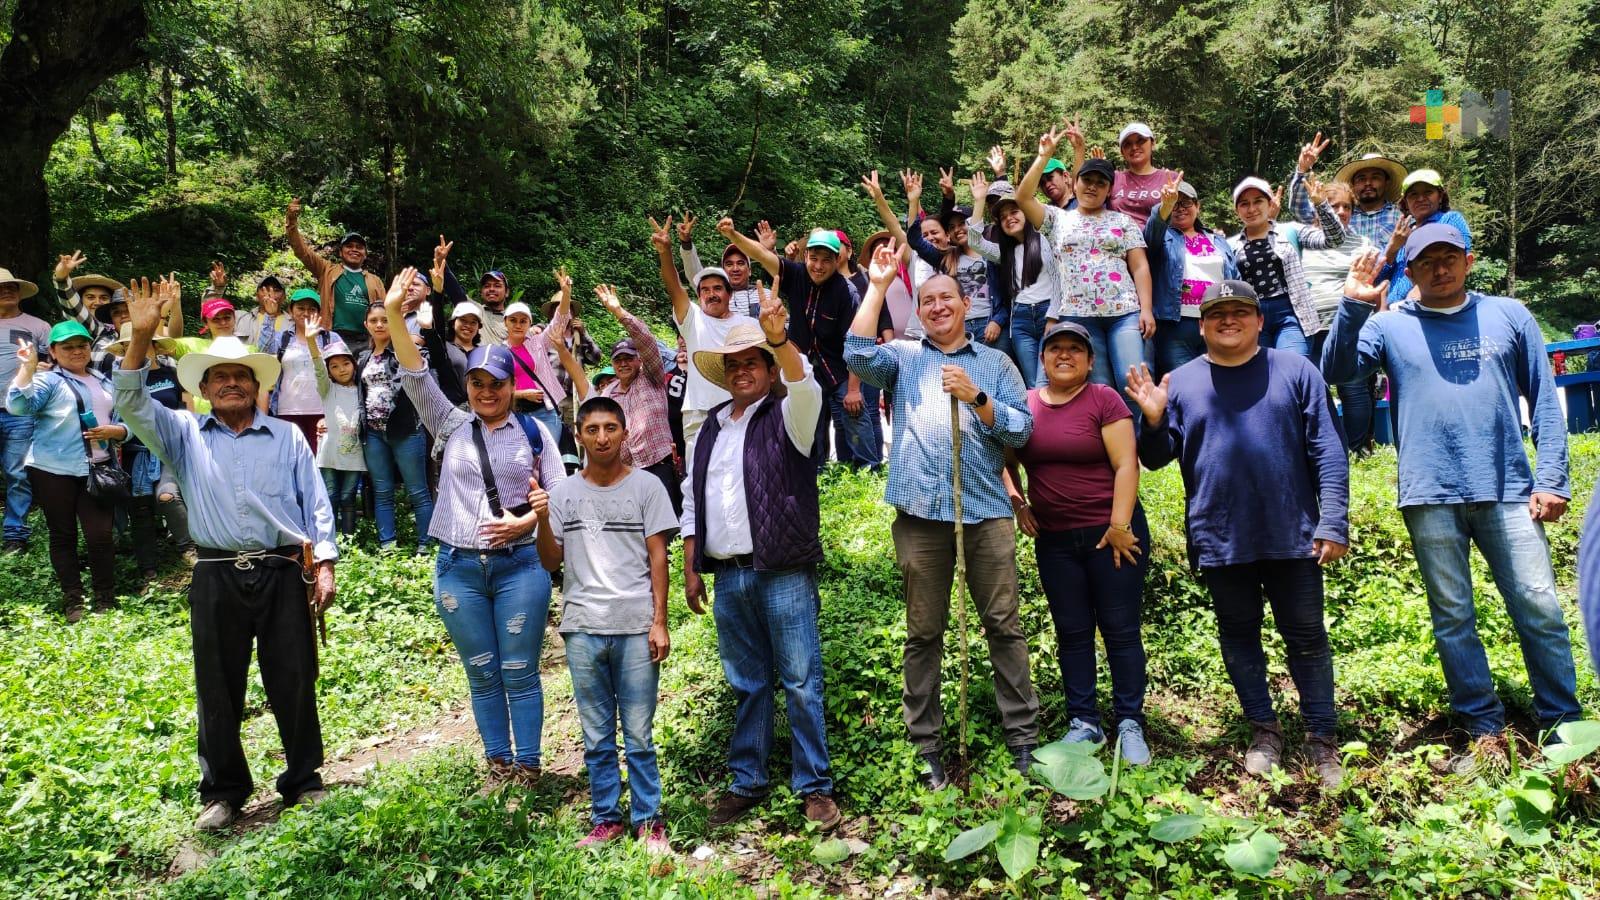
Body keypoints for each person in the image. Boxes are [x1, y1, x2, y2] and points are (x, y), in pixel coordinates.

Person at [1324, 227, 1581, 773]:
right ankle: (1484, 727)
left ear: (1468, 261)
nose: (1439, 270)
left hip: (1508, 488)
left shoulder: (1509, 314)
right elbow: (1338, 371)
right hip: (1429, 492)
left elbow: (1545, 396)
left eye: (1448, 259)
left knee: (1540, 608)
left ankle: (1564, 727)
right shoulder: (1390, 325)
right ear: (1410, 272)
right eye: (1426, 262)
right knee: (1453, 617)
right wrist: (1351, 305)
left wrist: (1553, 477)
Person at [113, 276, 337, 832]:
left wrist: (326, 561)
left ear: (257, 386)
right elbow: (131, 400)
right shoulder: (183, 433)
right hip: (215, 572)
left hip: (284, 568)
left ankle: (303, 780)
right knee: (217, 682)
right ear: (206, 388)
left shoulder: (287, 436)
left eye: (242, 376)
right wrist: (141, 338)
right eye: (221, 377)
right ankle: (223, 791)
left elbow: (316, 500)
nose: (233, 384)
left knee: (292, 675)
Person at [1128, 279, 1349, 789]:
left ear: (1259, 320)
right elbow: (1156, 459)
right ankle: (1264, 730)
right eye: (1218, 313)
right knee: (1239, 636)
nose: (1229, 320)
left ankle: (1321, 737)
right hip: (1219, 535)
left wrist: (1333, 518)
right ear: (1202, 325)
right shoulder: (1179, 381)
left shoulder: (1296, 370)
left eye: (1240, 312)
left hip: (1293, 533)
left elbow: (1328, 451)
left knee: (1308, 638)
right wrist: (1155, 420)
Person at [846, 240, 1040, 789]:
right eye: (927, 300)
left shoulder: (996, 364)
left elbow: (1021, 430)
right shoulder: (906, 358)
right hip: (921, 519)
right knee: (924, 631)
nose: (935, 307)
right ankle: (926, 743)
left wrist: (978, 398)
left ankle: (1022, 736)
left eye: (945, 298)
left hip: (986, 514)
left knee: (1004, 626)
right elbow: (856, 355)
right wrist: (880, 286)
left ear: (964, 304)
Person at [384, 267, 565, 783]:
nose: (487, 391)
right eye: (478, 382)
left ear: (513, 385)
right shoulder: (450, 423)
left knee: (519, 670)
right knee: (482, 671)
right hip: (458, 567)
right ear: (468, 385)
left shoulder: (534, 433)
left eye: (497, 383)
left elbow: (562, 497)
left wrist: (526, 521)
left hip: (520, 567)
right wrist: (396, 312)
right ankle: (497, 761)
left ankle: (528, 765)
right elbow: (415, 373)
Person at [681, 281, 840, 831]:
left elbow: (806, 386)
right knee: (747, 681)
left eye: (754, 362)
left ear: (769, 369)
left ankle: (814, 785)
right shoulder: (710, 427)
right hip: (728, 575)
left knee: (799, 678)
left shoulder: (788, 413)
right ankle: (747, 780)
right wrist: (691, 563)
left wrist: (782, 342)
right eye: (734, 365)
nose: (743, 371)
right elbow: (692, 496)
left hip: (783, 569)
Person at [1004, 321, 1151, 764]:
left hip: (1113, 536)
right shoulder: (1025, 405)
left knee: (1121, 631)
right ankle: (1084, 722)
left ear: (1089, 361)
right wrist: (1018, 502)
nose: (1063, 355)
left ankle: (1130, 722)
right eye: (1055, 349)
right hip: (1055, 539)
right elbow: (1005, 459)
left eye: (1074, 349)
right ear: (1042, 358)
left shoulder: (1103, 399)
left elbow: (1127, 463)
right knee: (1072, 632)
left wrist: (1120, 524)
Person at [534, 395, 676, 852]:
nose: (601, 437)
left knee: (638, 733)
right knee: (596, 736)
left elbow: (659, 557)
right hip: (582, 626)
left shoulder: (648, 488)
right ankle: (606, 819)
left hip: (635, 625)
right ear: (578, 436)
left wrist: (660, 622)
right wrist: (539, 520)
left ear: (624, 433)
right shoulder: (564, 494)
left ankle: (648, 820)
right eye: (591, 429)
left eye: (610, 428)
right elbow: (550, 560)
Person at [720, 220, 882, 470]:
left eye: (826, 260)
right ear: (806, 255)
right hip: (805, 369)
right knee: (810, 426)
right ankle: (813, 474)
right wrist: (733, 234)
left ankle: (867, 472)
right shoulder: (796, 275)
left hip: (839, 369)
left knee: (853, 420)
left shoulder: (846, 293)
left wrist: (853, 388)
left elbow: (856, 344)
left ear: (837, 260)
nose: (818, 266)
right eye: (814, 258)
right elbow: (761, 254)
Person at [1016, 126, 1154, 400]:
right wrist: (1043, 157)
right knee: (1101, 392)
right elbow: (1022, 198)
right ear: (1075, 182)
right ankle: (1110, 443)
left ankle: (1142, 442)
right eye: (1087, 179)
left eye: (1100, 182)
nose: (1092, 186)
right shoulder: (1057, 219)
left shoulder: (1123, 221)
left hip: (1124, 314)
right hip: (1079, 317)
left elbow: (1140, 267)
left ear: (1109, 190)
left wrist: (1146, 309)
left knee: (1135, 386)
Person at [8, 320, 125, 621]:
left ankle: (105, 598)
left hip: (98, 468)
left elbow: (127, 422)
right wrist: (27, 368)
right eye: (68, 347)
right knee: (63, 535)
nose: (76, 351)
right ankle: (73, 600)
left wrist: (116, 431)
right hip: (53, 469)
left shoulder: (104, 380)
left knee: (100, 537)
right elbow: (18, 406)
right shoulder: (49, 381)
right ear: (54, 352)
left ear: (90, 347)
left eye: (82, 345)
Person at [551, 286, 680, 513]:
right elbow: (581, 382)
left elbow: (646, 341)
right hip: (624, 475)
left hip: (658, 468)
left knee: (665, 535)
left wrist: (619, 312)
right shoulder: (608, 393)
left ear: (638, 360)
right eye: (618, 359)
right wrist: (561, 350)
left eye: (628, 358)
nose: (623, 363)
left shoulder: (652, 377)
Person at [651, 215, 752, 458]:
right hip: (697, 412)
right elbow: (673, 285)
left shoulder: (747, 325)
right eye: (705, 290)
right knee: (698, 479)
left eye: (718, 288)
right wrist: (665, 252)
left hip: (739, 409)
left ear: (729, 294)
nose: (711, 294)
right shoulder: (693, 319)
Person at [1295, 174, 1380, 451]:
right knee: (1315, 391)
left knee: (1354, 390)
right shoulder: (1304, 240)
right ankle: (1324, 448)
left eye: (1347, 207)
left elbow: (1371, 282)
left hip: (1349, 327)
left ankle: (1354, 448)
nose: (1341, 212)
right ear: (1321, 208)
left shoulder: (1362, 244)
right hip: (1310, 328)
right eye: (1334, 205)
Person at [105, 322, 194, 578]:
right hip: (136, 451)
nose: (140, 349)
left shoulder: (172, 373)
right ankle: (148, 571)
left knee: (167, 496)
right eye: (132, 346)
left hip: (170, 448)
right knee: (140, 509)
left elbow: (186, 409)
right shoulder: (120, 381)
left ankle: (189, 548)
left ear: (155, 346)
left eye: (145, 343)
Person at [1228, 175, 1345, 357]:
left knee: (1292, 366)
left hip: (1291, 313)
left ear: (1270, 203)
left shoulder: (1291, 231)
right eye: (1244, 204)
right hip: (1251, 317)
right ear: (1237, 210)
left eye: (1258, 201)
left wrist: (1321, 205)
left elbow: (1335, 239)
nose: (1251, 209)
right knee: (1261, 374)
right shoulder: (1231, 245)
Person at [1143, 173, 1241, 376]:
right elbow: (1151, 233)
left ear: (1198, 206)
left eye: (1185, 203)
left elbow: (1235, 279)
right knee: (1184, 386)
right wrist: (1164, 207)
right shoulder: (1163, 236)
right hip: (1176, 326)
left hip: (1217, 321)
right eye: (1174, 204)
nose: (1179, 209)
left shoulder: (1218, 241)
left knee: (1222, 382)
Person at [968, 172, 1060, 387]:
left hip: (1047, 313)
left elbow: (1058, 281)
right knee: (1032, 384)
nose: (1009, 218)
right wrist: (979, 201)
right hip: (1020, 320)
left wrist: (1053, 318)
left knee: (1045, 381)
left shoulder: (1046, 240)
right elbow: (974, 241)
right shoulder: (1004, 251)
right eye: (1003, 216)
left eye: (1014, 211)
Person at [359, 302, 435, 552]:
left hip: (405, 429)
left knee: (418, 491)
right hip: (373, 431)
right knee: (382, 491)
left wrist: (426, 329)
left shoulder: (404, 351)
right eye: (374, 321)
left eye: (385, 319)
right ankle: (387, 545)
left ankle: (426, 545)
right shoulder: (363, 357)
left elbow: (424, 367)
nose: (380, 325)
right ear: (366, 325)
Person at [285, 197, 385, 354]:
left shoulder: (374, 280)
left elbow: (384, 310)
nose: (354, 249)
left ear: (365, 254)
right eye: (349, 246)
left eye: (359, 247)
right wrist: (291, 221)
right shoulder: (326, 270)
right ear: (340, 252)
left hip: (367, 339)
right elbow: (302, 251)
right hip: (333, 337)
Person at [0, 267, 52, 553]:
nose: (8, 290)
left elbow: (53, 361)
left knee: (17, 473)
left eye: (12, 286)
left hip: (19, 412)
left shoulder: (38, 326)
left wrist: (44, 367)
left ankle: (15, 534)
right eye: (1, 287)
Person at [1380, 170, 1473, 304]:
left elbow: (1461, 260)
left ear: (1440, 196)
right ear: (1405, 203)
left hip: (1429, 304)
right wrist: (1393, 247)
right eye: (1413, 194)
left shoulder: (1450, 219)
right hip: (1394, 310)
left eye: (1428, 192)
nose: (1421, 198)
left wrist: (1420, 290)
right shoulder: (1402, 233)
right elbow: (1379, 278)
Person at [306, 326, 364, 537]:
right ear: (329, 371)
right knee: (330, 495)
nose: (342, 369)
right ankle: (328, 538)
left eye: (346, 363)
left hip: (354, 454)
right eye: (335, 366)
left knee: (348, 497)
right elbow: (318, 369)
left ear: (354, 365)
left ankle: (348, 539)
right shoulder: (327, 389)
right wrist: (312, 342)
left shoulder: (362, 390)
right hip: (329, 453)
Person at [262, 288, 336, 449]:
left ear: (318, 312)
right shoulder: (283, 338)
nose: (306, 313)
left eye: (311, 309)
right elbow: (263, 351)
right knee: (290, 461)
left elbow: (344, 370)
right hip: (286, 410)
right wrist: (270, 316)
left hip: (323, 412)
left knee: (320, 465)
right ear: (291, 310)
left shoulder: (330, 338)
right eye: (300, 308)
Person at [676, 214, 770, 317]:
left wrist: (770, 252)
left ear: (750, 270)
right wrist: (686, 243)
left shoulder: (766, 295)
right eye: (729, 264)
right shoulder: (714, 295)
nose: (735, 269)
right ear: (723, 271)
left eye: (740, 263)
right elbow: (694, 272)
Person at [1109, 122, 1177, 229]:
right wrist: (1079, 150)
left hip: (1157, 241)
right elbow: (1079, 192)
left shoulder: (1170, 178)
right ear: (1122, 152)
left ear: (1152, 144)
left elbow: (1185, 213)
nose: (1134, 147)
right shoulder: (1114, 178)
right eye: (1127, 144)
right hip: (1117, 240)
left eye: (1140, 141)